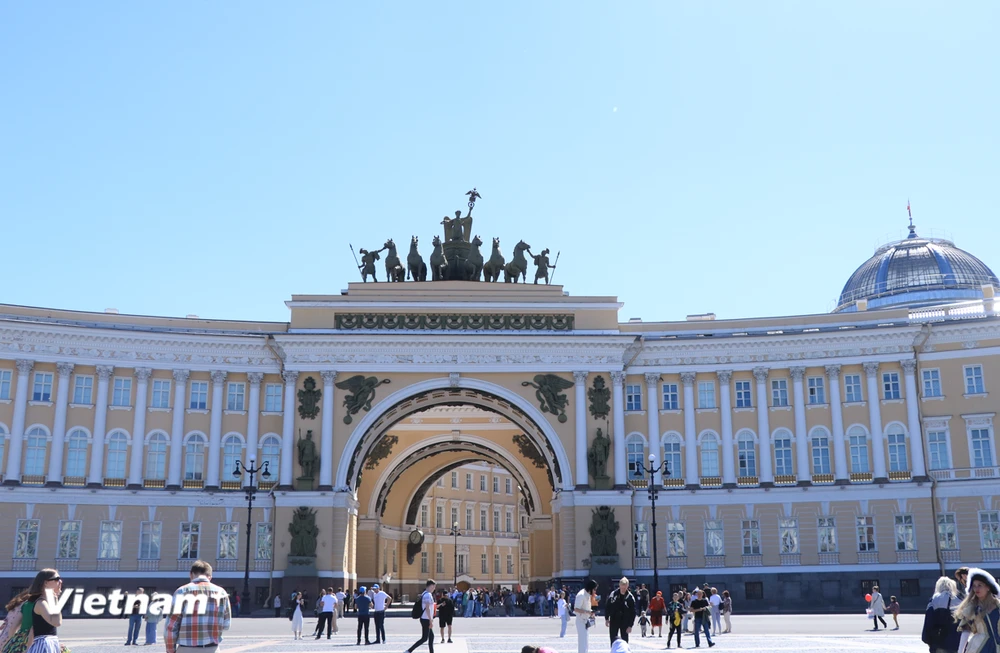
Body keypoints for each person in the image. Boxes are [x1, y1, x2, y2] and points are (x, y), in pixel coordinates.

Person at [165, 560, 231, 653]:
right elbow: (226, 624)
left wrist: (170, 650)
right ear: (210, 577)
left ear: (191, 574)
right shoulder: (221, 592)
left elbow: (171, 626)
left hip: (186, 648)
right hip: (212, 648)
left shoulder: (182, 591)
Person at [953, 568, 1000, 653]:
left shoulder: (998, 606)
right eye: (974, 586)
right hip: (980, 647)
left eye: (980, 585)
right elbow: (965, 631)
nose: (976, 589)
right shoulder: (972, 608)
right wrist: (960, 651)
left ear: (988, 587)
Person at [922, 576, 961, 653]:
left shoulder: (934, 600)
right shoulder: (959, 600)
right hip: (957, 643)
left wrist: (927, 640)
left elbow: (928, 622)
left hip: (939, 643)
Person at [407, 579, 437, 653]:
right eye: (433, 587)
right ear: (431, 586)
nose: (434, 589)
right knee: (424, 638)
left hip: (425, 618)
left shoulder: (424, 593)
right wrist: (431, 620)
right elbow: (427, 608)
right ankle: (409, 650)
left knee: (431, 637)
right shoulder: (428, 595)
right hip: (426, 619)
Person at [604, 577, 636, 645]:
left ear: (627, 586)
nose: (623, 589)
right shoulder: (613, 594)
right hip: (614, 619)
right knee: (613, 639)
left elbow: (633, 612)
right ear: (619, 585)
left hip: (625, 621)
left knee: (624, 640)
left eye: (625, 587)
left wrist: (630, 625)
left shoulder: (630, 597)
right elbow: (608, 606)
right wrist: (606, 618)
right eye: (622, 586)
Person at [573, 580, 598, 653]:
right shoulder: (581, 595)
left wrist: (591, 613)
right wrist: (587, 612)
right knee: (582, 641)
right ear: (590, 588)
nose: (595, 591)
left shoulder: (588, 595)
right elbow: (576, 609)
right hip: (581, 620)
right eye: (594, 589)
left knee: (586, 641)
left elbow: (586, 607)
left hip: (586, 620)